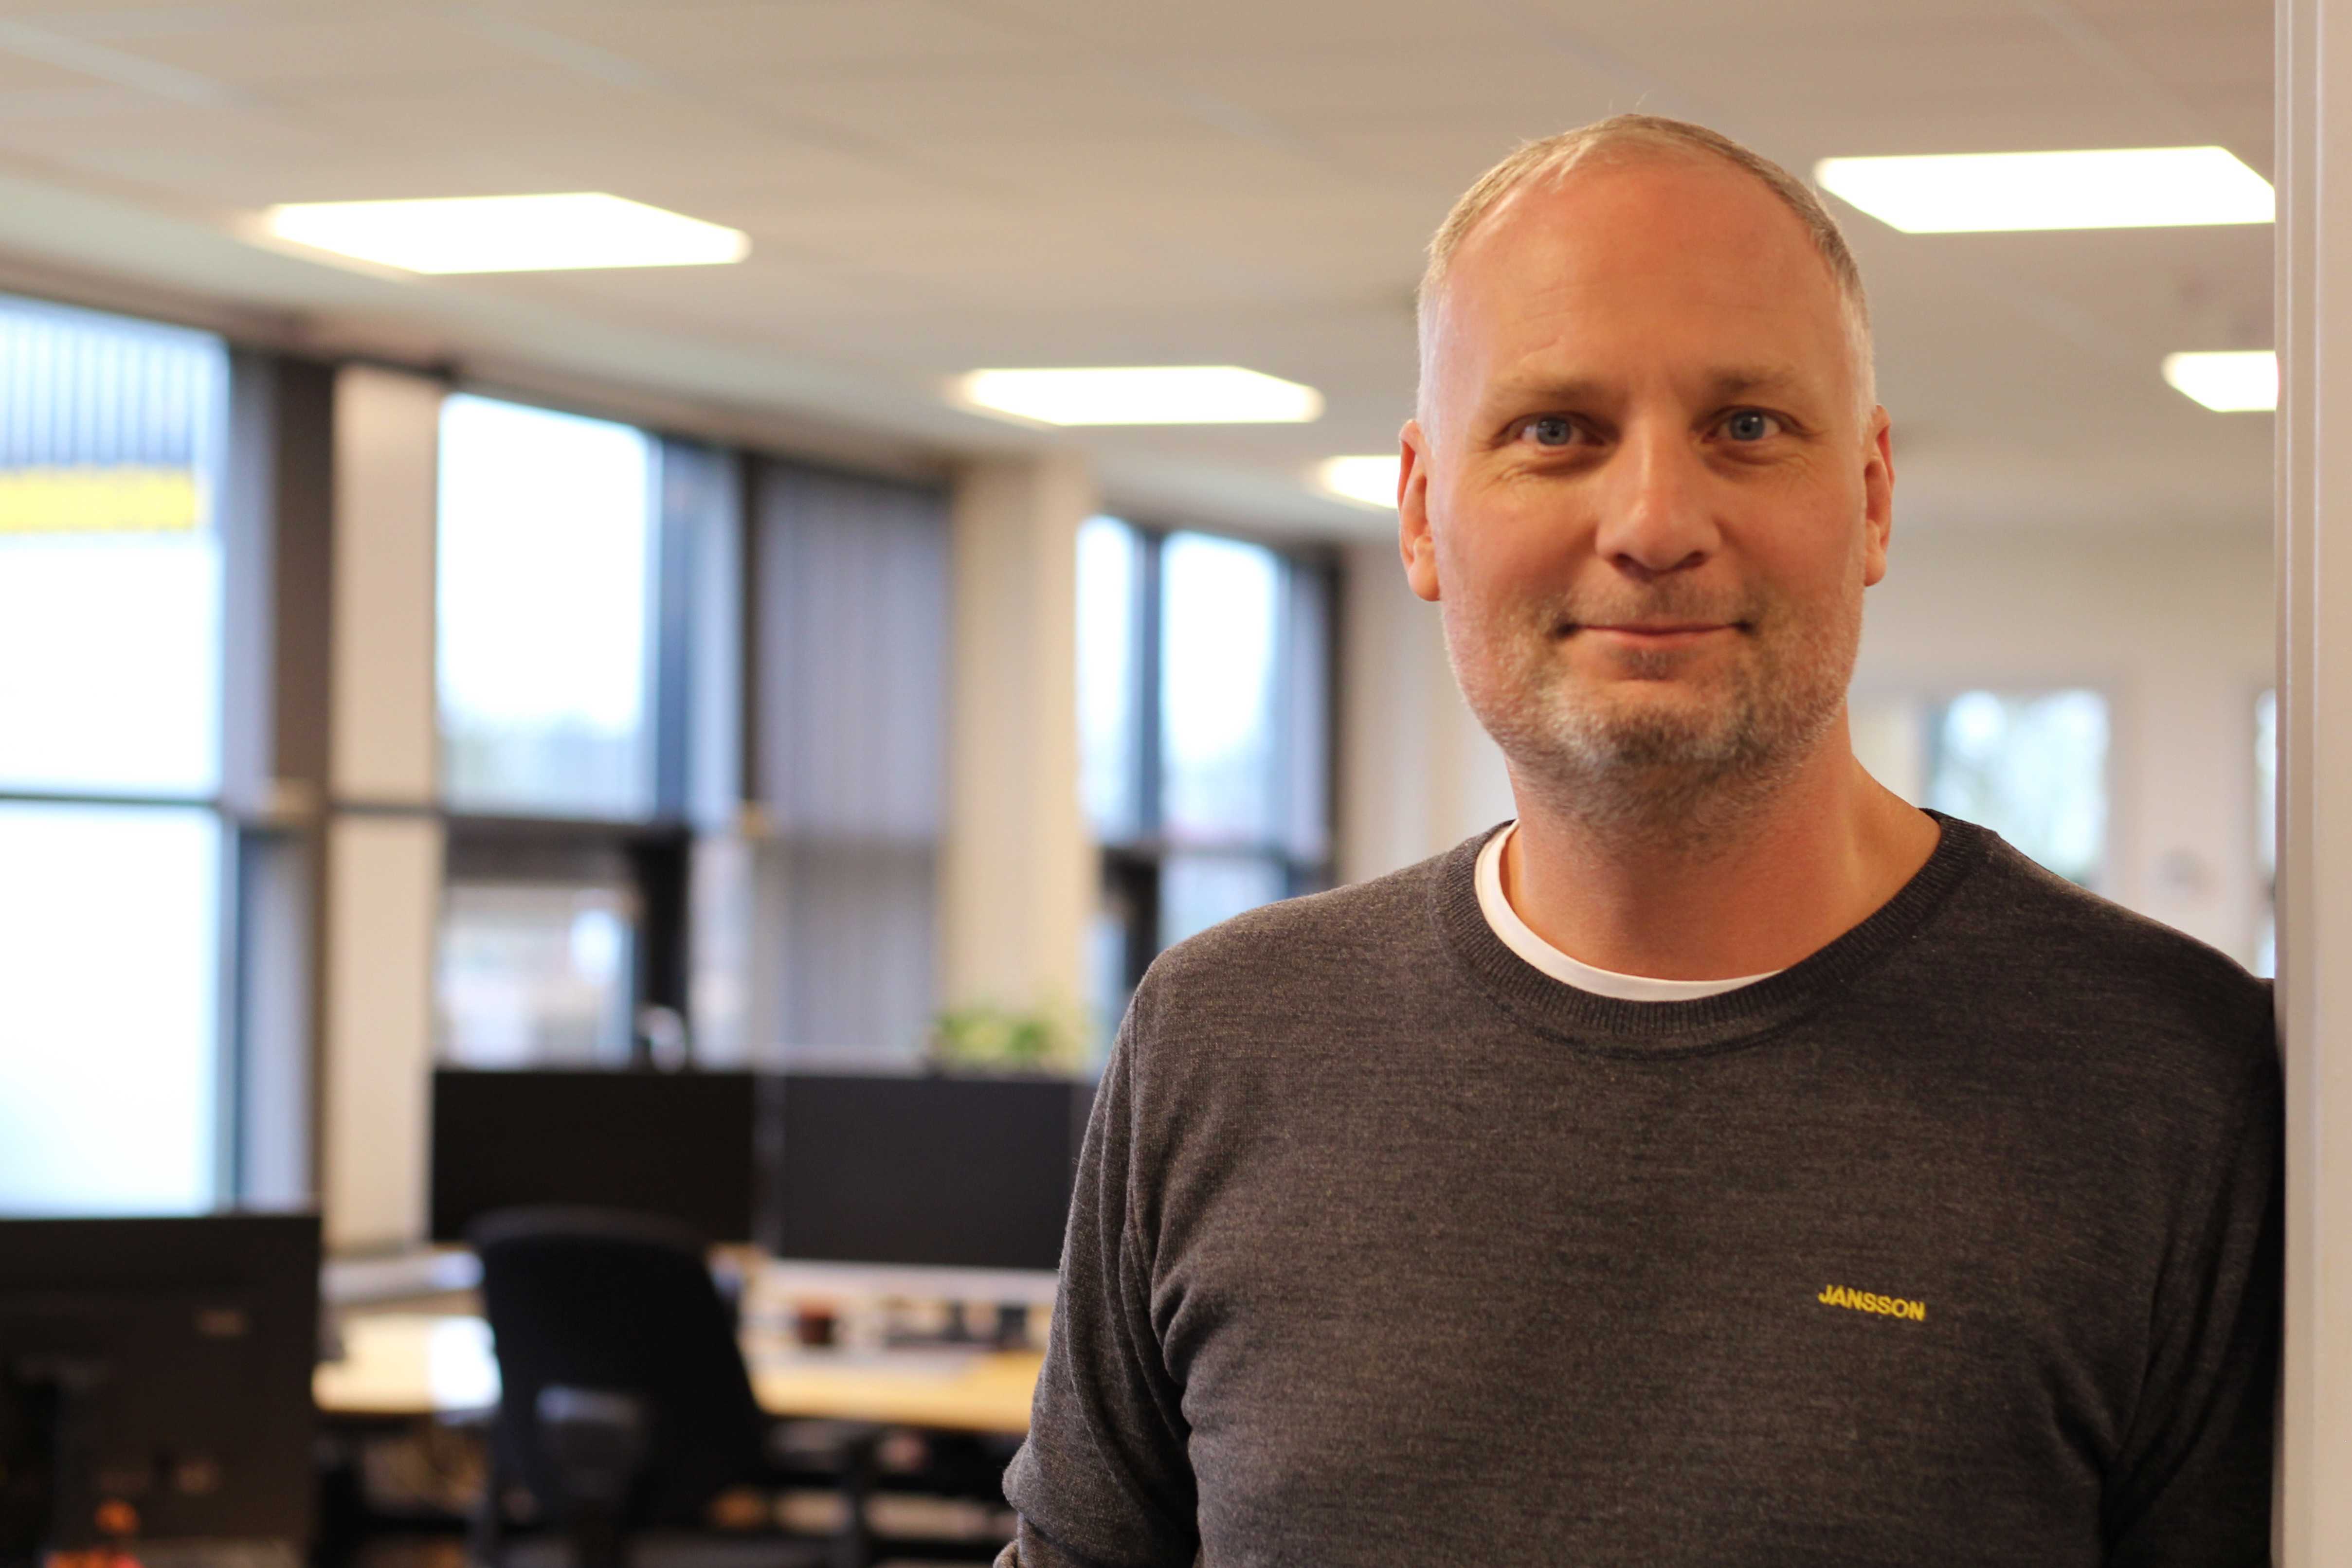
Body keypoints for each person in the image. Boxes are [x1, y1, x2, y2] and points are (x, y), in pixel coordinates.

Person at [997, 115, 2280, 1567]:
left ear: (1868, 499)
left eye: (1747, 426)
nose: (1655, 523)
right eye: (1556, 431)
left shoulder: (2172, 1085)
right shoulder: (1227, 1035)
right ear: (1421, 515)